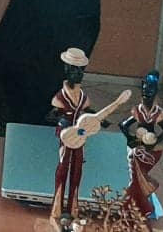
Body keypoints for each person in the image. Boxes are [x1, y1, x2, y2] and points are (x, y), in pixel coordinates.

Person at [119, 70, 163, 223]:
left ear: (155, 92)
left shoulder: (158, 113)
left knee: (140, 177)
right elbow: (123, 125)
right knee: (134, 177)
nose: (146, 95)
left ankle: (138, 207)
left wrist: (155, 140)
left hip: (149, 148)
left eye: (149, 92)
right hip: (137, 146)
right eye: (144, 92)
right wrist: (131, 138)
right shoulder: (138, 110)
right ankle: (137, 207)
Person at [49, 48, 94, 220]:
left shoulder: (82, 96)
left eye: (81, 70)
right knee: (63, 166)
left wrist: (96, 119)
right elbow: (51, 116)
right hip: (66, 135)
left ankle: (73, 206)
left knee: (78, 167)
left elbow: (88, 111)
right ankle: (57, 207)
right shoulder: (60, 96)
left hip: (80, 134)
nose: (80, 73)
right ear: (67, 70)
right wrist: (63, 121)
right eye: (76, 70)